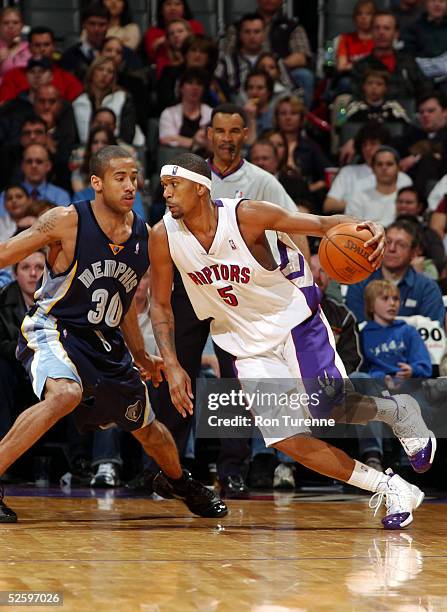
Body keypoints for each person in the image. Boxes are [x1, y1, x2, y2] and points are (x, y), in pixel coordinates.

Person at [150, 152, 435, 529]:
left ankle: (399, 411)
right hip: (244, 343)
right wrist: (171, 364)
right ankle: (389, 486)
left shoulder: (246, 215)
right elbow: (159, 305)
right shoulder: (162, 235)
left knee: (334, 409)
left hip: (293, 322)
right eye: (164, 186)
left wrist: (369, 227)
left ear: (201, 189)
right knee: (288, 439)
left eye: (175, 185)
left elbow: (322, 222)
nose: (166, 194)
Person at [0, 145, 227, 522]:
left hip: (103, 341)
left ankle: (177, 481)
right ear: (97, 183)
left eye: (134, 177)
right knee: (65, 394)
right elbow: (6, 251)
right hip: (53, 328)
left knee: (148, 429)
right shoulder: (66, 220)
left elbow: (121, 308)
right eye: (120, 177)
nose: (130, 185)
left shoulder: (144, 233)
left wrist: (141, 357)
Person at [346, 218, 446, 327]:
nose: (392, 249)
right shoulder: (360, 282)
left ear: (414, 253)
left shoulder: (427, 288)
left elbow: (433, 330)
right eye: (387, 242)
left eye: (401, 245)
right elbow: (356, 327)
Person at [361, 280, 432, 381]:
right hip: (376, 385)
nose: (392, 303)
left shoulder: (408, 331)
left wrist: (412, 370)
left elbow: (425, 366)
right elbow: (362, 369)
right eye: (385, 299)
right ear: (371, 305)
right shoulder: (363, 335)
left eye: (396, 299)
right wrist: (381, 378)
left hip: (408, 384)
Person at [0, 26, 83, 103]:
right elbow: (4, 107)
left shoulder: (67, 78)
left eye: (46, 45)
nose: (42, 49)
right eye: (37, 45)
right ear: (29, 48)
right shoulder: (12, 76)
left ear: (53, 47)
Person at [73, 56, 139, 145]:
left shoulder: (123, 98)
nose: (104, 74)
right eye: (100, 69)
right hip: (85, 150)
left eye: (110, 71)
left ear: (114, 77)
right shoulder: (79, 101)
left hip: (117, 148)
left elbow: (128, 134)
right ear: (92, 72)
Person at [346, 146, 409, 226]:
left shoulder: (405, 199)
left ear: (398, 168)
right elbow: (351, 228)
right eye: (379, 164)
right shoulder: (358, 197)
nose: (384, 168)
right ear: (372, 168)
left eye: (389, 164)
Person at [61, 2, 111, 82]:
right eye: (92, 24)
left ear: (108, 25)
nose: (96, 29)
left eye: (102, 24)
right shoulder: (69, 56)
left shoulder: (119, 54)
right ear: (83, 24)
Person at [144, 0, 204, 65]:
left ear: (184, 8)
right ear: (161, 10)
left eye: (177, 4)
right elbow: (151, 57)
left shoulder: (195, 26)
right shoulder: (152, 32)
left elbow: (201, 49)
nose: (173, 8)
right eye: (168, 4)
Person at [0, 7, 30, 86]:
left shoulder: (31, 48)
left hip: (24, 94)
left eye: (15, 22)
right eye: (6, 23)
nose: (10, 26)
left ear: (22, 26)